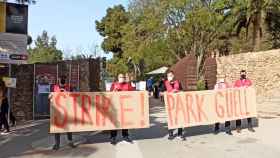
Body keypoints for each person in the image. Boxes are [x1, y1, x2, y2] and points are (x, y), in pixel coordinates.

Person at [50, 76, 75, 150]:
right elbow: (50, 96)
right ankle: (57, 144)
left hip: (67, 109)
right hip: (57, 110)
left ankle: (70, 142)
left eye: (64, 81)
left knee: (68, 127)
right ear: (58, 80)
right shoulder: (54, 87)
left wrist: (68, 93)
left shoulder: (69, 87)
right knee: (57, 128)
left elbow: (74, 97)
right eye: (61, 81)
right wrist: (50, 96)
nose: (63, 82)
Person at [110, 73, 135, 145]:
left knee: (125, 121)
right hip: (116, 106)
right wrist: (114, 90)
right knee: (114, 121)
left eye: (123, 77)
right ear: (118, 78)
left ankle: (125, 136)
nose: (122, 78)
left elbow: (132, 93)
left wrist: (132, 85)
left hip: (125, 106)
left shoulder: (128, 84)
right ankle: (113, 137)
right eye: (120, 77)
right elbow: (110, 94)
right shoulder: (114, 84)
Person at [161, 71, 186, 141]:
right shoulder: (165, 83)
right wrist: (168, 93)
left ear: (174, 75)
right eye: (168, 75)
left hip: (178, 103)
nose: (170, 76)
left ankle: (180, 134)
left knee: (180, 118)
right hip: (169, 104)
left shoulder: (178, 82)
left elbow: (182, 91)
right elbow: (160, 93)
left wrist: (177, 91)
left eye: (171, 75)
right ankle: (170, 134)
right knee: (170, 118)